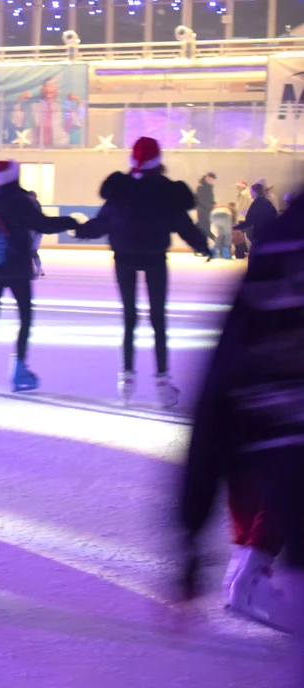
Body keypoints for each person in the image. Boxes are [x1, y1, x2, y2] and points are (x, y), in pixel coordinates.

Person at [178, 191, 304, 650]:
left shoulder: (279, 241)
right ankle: (250, 570)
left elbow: (218, 393)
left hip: (258, 412)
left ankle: (248, 566)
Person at [73, 137, 209, 408]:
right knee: (158, 320)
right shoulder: (166, 191)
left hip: (124, 257)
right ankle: (162, 382)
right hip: (155, 257)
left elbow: (102, 222)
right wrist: (202, 245)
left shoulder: (120, 189)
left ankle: (127, 379)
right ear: (158, 160)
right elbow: (182, 224)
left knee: (130, 319)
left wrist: (81, 230)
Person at [0, 159, 79, 393]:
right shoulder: (21, 201)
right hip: (18, 268)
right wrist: (70, 222)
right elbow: (42, 224)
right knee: (25, 319)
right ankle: (19, 370)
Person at [234, 182, 279, 252]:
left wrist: (236, 227)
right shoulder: (266, 202)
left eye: (251, 191)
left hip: (259, 231)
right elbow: (275, 214)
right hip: (268, 230)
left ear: (255, 192)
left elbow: (249, 221)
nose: (250, 193)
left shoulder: (256, 203)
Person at [194, 172, 216, 256]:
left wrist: (213, 204)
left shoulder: (209, 187)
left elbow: (209, 200)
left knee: (202, 231)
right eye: (210, 178)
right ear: (206, 178)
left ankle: (200, 249)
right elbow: (201, 200)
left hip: (207, 212)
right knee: (205, 230)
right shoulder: (201, 187)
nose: (211, 180)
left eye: (213, 179)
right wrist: (212, 205)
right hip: (203, 212)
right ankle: (219, 243)